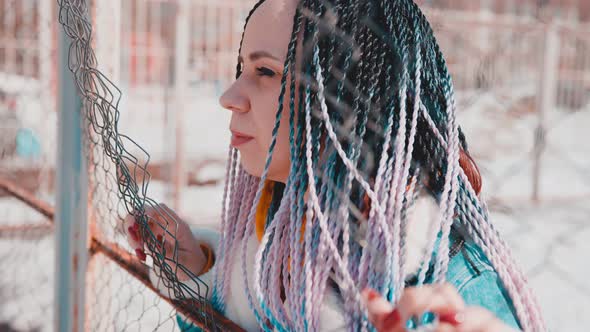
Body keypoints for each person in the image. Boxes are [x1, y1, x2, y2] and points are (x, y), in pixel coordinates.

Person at [124, 0, 545, 330]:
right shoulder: (279, 230)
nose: (230, 95)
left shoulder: (451, 290)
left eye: (265, 71)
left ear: (345, 101)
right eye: (241, 68)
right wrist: (195, 269)